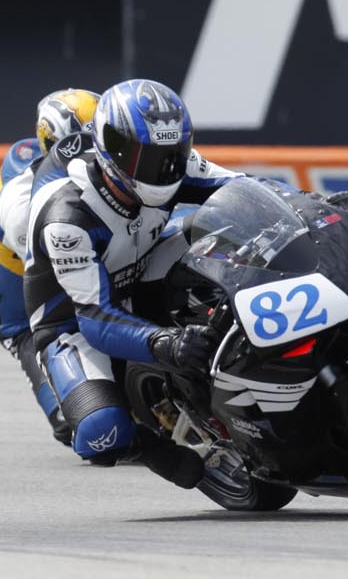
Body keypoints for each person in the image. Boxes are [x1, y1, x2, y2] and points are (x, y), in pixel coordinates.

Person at [23, 78, 242, 489]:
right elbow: (94, 318)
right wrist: (167, 343)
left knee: (225, 229)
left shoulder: (174, 165)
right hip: (74, 320)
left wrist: (307, 202)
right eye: (145, 158)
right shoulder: (67, 220)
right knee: (100, 434)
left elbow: (241, 189)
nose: (162, 170)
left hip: (141, 266)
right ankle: (144, 444)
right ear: (112, 150)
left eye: (170, 155)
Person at [0, 88, 101, 445]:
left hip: (74, 254)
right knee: (72, 425)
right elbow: (72, 279)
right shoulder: (24, 206)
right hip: (24, 295)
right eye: (86, 141)